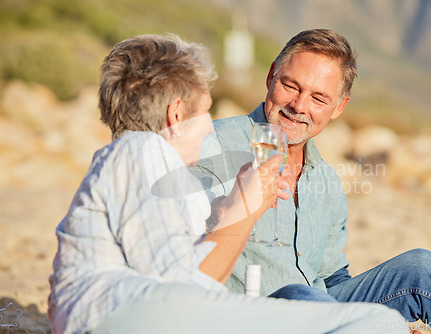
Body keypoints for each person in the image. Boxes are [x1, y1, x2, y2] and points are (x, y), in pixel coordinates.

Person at [47, 33, 409, 334]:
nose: (209, 126)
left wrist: (231, 208)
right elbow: (184, 289)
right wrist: (245, 209)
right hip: (114, 313)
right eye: (205, 111)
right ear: (177, 114)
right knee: (379, 323)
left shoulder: (146, 163)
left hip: (134, 312)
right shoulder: (140, 151)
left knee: (380, 317)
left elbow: (177, 275)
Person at [192, 29, 431, 334]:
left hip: (319, 311)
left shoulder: (325, 179)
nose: (299, 106)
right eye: (290, 85)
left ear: (339, 107)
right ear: (271, 75)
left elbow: (333, 278)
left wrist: (374, 319)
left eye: (319, 98)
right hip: (254, 315)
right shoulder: (211, 146)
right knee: (299, 295)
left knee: (419, 269)